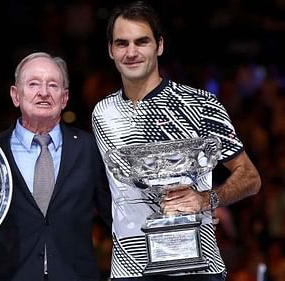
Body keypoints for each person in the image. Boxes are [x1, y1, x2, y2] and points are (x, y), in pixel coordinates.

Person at [91, 1, 261, 280]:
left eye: (141, 42)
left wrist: (207, 199)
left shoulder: (201, 104)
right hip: (130, 271)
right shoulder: (102, 113)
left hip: (199, 266)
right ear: (111, 50)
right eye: (122, 43)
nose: (131, 52)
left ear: (159, 46)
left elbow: (251, 177)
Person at [0, 52, 112, 281]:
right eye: (33, 83)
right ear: (16, 95)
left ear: (64, 98)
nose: (43, 92)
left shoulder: (89, 148)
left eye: (52, 85)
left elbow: (115, 215)